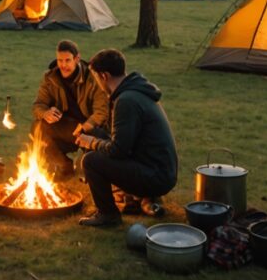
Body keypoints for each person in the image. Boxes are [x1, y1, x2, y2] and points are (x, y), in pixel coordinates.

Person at [75, 49, 178, 228]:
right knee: (96, 134)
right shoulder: (134, 91)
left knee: (91, 160)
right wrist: (94, 138)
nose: (97, 84)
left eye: (96, 78)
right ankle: (134, 197)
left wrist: (90, 143)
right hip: (157, 168)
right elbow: (122, 140)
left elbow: (118, 150)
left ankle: (108, 215)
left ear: (104, 76)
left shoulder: (126, 100)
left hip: (156, 177)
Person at [31, 40, 109, 177]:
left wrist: (85, 127)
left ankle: (91, 164)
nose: (63, 65)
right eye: (60, 60)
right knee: (37, 128)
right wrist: (45, 113)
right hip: (65, 127)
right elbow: (38, 105)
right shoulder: (50, 78)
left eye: (67, 60)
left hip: (88, 127)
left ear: (77, 59)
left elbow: (101, 111)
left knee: (99, 142)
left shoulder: (92, 78)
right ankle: (64, 164)